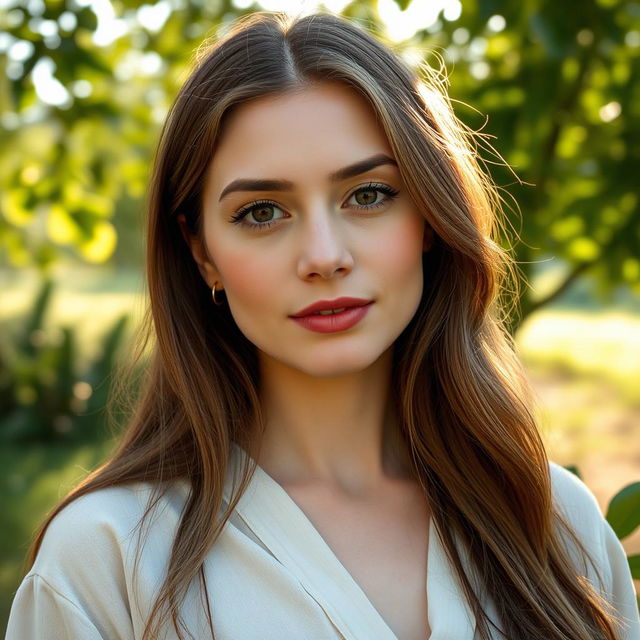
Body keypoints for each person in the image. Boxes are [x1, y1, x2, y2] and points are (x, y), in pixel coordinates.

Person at [6, 10, 639, 640]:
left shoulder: (555, 522)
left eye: (368, 195)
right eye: (261, 212)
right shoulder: (105, 558)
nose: (324, 256)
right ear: (201, 253)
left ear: (428, 216)